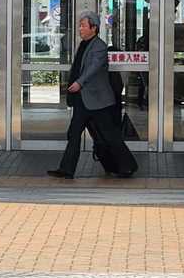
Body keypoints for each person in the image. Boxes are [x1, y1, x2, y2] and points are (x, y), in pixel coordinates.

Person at [49, 12, 136, 180]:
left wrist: (79, 82)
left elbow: (93, 69)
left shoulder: (99, 46)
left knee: (110, 135)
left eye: (83, 26)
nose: (80, 29)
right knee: (74, 133)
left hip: (98, 101)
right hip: (83, 100)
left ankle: (128, 166)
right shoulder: (83, 44)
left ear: (94, 28)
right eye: (80, 25)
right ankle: (66, 169)